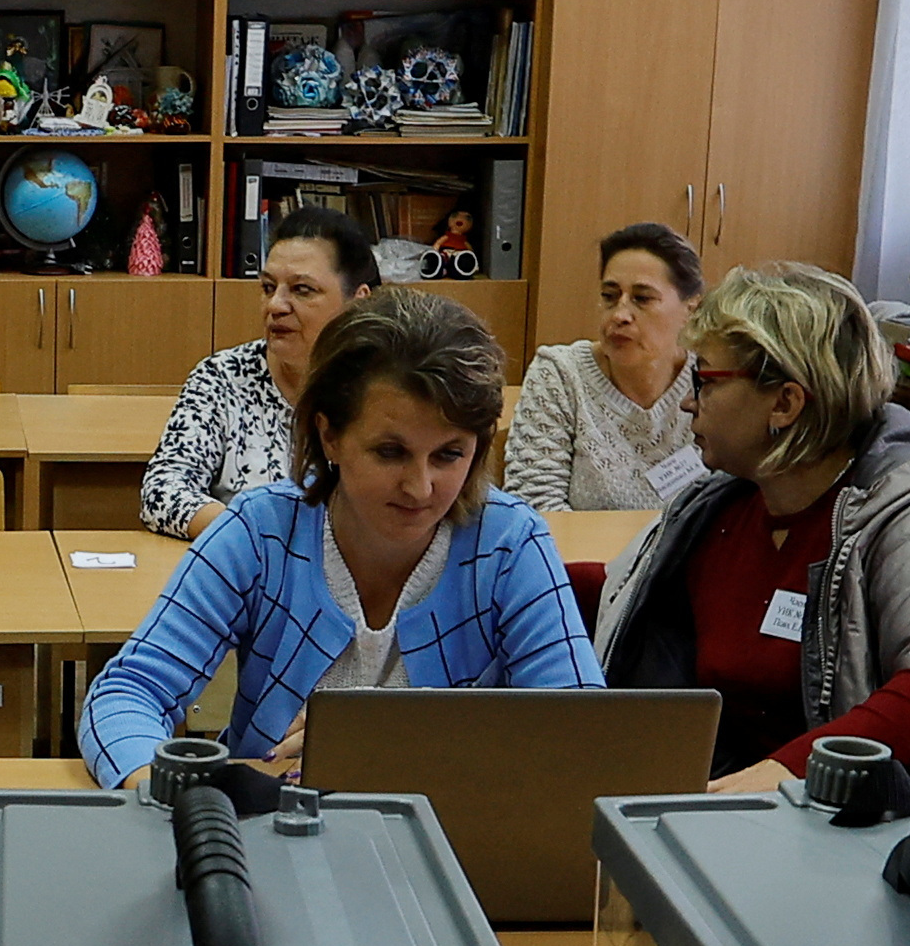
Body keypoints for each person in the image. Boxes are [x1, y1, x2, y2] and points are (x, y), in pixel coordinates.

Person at [590, 262, 910, 789]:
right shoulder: (725, 504)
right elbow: (628, 590)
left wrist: (776, 778)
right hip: (775, 812)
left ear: (786, 402)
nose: (687, 400)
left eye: (704, 380)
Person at [78, 290, 591, 783]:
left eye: (449, 455)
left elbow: (580, 731)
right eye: (390, 452)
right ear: (330, 436)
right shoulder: (261, 529)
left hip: (448, 842)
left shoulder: (510, 542)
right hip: (272, 833)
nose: (420, 486)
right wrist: (163, 788)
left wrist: (386, 744)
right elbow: (127, 692)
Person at [137, 205, 374, 539]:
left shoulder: (386, 387)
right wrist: (257, 536)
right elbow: (162, 492)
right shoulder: (223, 377)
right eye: (267, 287)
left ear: (358, 302)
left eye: (302, 289)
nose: (276, 306)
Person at [502, 222, 708, 511]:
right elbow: (536, 508)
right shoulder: (561, 374)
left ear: (691, 308)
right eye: (610, 297)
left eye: (642, 298)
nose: (620, 315)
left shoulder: (711, 380)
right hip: (580, 555)